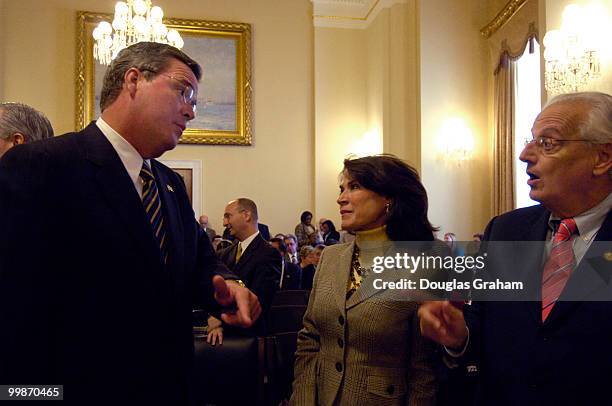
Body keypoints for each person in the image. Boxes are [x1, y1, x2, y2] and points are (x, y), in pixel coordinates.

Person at [0, 42, 261, 404]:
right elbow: (15, 305)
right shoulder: (43, 164)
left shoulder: (169, 184)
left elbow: (200, 261)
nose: (191, 112)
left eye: (196, 102)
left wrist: (229, 286)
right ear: (134, 81)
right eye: (183, 92)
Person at [419, 92, 612, 405]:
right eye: (530, 140)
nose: (524, 154)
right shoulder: (506, 231)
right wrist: (458, 337)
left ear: (602, 158)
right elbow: (482, 333)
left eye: (547, 143)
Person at [290, 154, 439, 405]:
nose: (340, 198)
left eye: (354, 187)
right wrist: (302, 399)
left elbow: (424, 370)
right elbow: (310, 339)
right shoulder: (330, 257)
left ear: (388, 198)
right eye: (342, 189)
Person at [211, 198, 281, 341]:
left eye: (228, 216)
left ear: (246, 215)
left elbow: (257, 300)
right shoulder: (224, 253)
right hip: (222, 339)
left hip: (250, 339)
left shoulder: (269, 253)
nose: (224, 223)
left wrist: (219, 317)